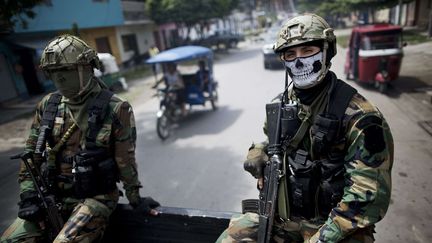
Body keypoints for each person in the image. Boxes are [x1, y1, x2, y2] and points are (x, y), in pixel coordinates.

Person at [216, 14, 393, 243]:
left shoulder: (361, 117)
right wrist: (259, 150)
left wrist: (321, 239)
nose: (298, 61)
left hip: (338, 224)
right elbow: (277, 144)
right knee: (230, 237)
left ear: (326, 51)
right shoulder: (282, 104)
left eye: (307, 50)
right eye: (290, 54)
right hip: (288, 218)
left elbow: (368, 197)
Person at [1, 35, 160, 243]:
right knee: (11, 240)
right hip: (53, 196)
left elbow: (126, 160)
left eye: (66, 70)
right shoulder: (49, 105)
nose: (60, 79)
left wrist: (135, 198)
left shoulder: (115, 108)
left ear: (86, 68)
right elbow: (31, 156)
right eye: (54, 72)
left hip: (96, 197)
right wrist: (29, 197)